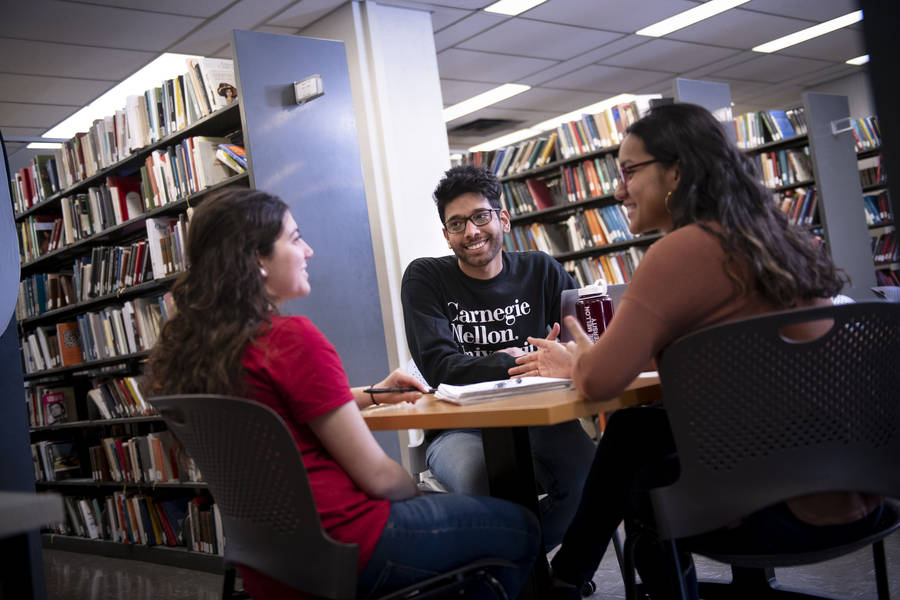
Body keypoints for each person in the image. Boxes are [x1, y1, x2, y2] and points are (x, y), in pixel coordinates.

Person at [510, 103, 884, 599]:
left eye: (628, 171)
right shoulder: (775, 237)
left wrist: (577, 360)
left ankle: (564, 580)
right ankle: (567, 577)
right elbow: (709, 356)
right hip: (860, 481)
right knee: (638, 429)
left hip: (785, 505)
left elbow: (600, 383)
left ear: (677, 171)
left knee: (645, 484)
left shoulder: (682, 249)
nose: (618, 189)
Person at [147, 188, 540, 600]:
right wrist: (419, 494)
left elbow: (281, 409)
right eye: (296, 238)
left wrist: (370, 394)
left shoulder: (194, 355)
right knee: (521, 526)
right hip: (352, 543)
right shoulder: (291, 340)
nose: (310, 251)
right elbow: (379, 478)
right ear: (257, 260)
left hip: (271, 562)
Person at [400, 165, 596, 550]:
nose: (470, 231)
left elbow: (585, 345)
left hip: (542, 419)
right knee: (488, 490)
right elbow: (440, 367)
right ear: (446, 235)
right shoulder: (425, 278)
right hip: (459, 428)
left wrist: (565, 356)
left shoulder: (541, 270)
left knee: (592, 479)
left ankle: (523, 574)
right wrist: (521, 361)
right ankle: (516, 575)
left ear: (503, 219)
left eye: (480, 216)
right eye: (456, 224)